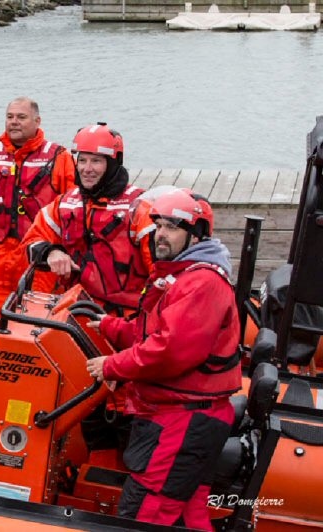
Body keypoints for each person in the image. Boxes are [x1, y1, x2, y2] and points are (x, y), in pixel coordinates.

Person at [86, 188, 241, 531]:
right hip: (180, 418)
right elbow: (153, 333)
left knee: (144, 513)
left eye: (172, 227)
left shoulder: (200, 283)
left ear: (195, 234)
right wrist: (110, 326)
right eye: (159, 226)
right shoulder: (181, 277)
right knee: (188, 514)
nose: (161, 234)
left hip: (182, 422)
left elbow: (171, 350)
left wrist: (112, 366)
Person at [0, 97, 75, 321]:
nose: (14, 122)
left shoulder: (59, 158)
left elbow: (73, 212)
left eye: (21, 117)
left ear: (37, 121)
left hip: (38, 261)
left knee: (35, 321)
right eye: (10, 117)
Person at [22, 122, 148, 314]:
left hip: (127, 316)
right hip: (76, 308)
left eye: (96, 161)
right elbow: (31, 241)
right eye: (82, 160)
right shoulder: (65, 203)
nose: (87, 169)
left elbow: (162, 271)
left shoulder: (139, 207)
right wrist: (51, 252)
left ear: (112, 164)